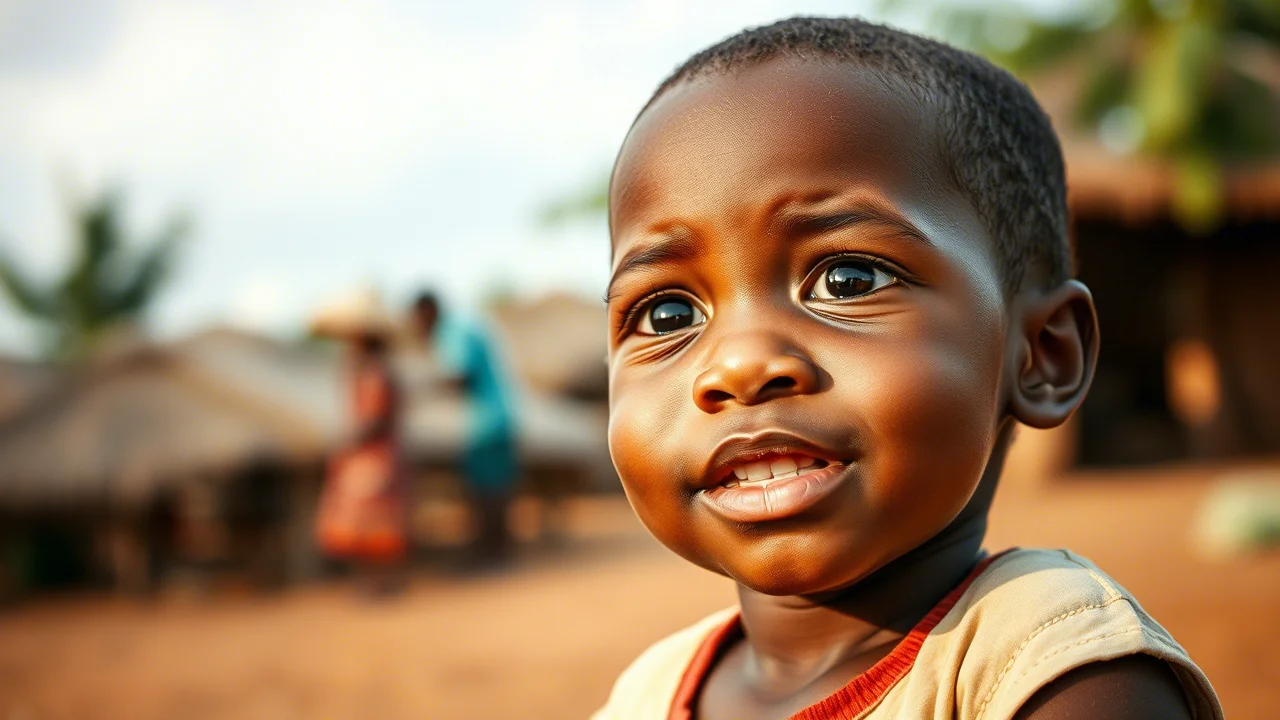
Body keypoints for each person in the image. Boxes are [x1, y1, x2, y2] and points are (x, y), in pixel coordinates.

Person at [594, 17, 1221, 720]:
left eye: (848, 280)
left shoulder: (1055, 675)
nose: (738, 366)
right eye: (668, 315)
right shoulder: (644, 694)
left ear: (1042, 353)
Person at [410, 291, 519, 565]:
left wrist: (422, 390)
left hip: (488, 423)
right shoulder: (462, 330)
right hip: (494, 418)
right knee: (493, 489)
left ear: (427, 313)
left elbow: (460, 376)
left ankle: (492, 556)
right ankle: (496, 554)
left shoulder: (451, 334)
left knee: (486, 491)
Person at [312, 291, 407, 595]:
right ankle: (371, 583)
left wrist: (351, 440)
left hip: (374, 456)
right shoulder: (364, 371)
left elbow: (378, 419)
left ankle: (382, 583)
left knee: (374, 520)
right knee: (362, 522)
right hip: (367, 455)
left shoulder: (378, 373)